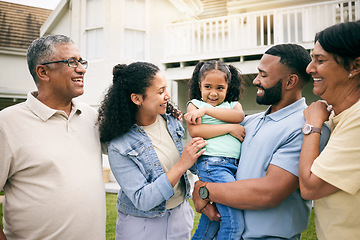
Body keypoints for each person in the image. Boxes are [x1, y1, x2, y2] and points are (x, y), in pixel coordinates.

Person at [192, 43, 331, 240]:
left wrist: (204, 191)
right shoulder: (248, 122)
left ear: (290, 81)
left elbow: (268, 193)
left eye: (263, 75)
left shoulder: (307, 128)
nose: (256, 81)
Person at [0, 35, 106, 239]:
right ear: (43, 72)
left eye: (81, 61)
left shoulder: (91, 117)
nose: (81, 69)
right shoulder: (6, 123)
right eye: (71, 62)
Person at [97, 62, 207, 240]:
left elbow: (193, 164)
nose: (168, 96)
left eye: (166, 89)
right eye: (161, 91)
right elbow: (143, 200)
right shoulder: (119, 146)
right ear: (137, 99)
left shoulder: (171, 121)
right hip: (142, 226)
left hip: (180, 216)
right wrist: (181, 165)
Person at [298, 20, 360, 240]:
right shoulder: (337, 115)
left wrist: (312, 126)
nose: (309, 68)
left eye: (320, 60)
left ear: (354, 66)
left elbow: (310, 188)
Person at [184, 60, 245, 240]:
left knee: (214, 219)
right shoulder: (194, 105)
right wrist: (229, 128)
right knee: (234, 223)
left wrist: (207, 112)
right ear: (199, 86)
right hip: (213, 165)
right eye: (208, 86)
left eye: (220, 88)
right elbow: (195, 130)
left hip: (233, 166)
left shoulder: (232, 105)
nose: (213, 93)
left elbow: (239, 116)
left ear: (227, 87)